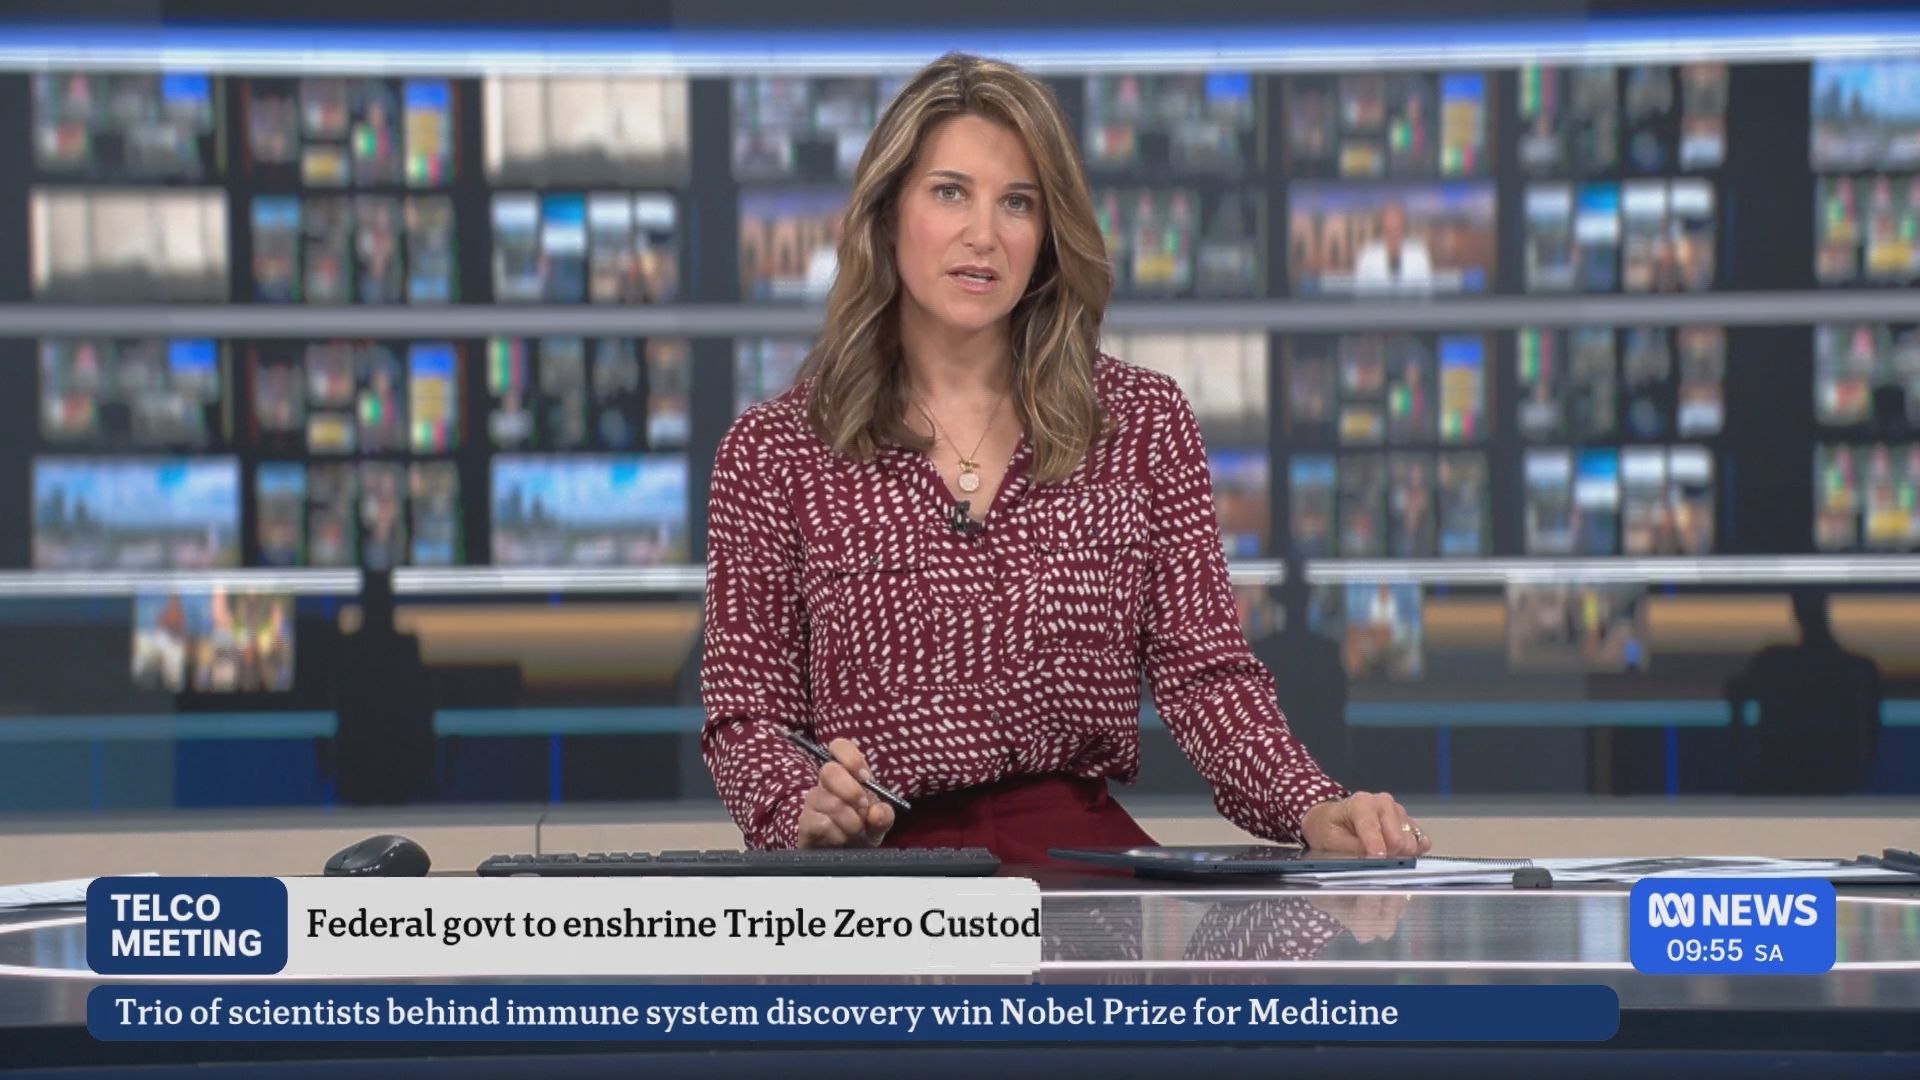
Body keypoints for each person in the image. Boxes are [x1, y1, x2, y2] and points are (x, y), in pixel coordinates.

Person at [700, 52, 1432, 864]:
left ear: (1048, 237)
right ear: (886, 213)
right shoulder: (774, 452)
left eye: (1017, 202)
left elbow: (1205, 677)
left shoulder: (1140, 423)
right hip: (879, 883)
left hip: (1078, 871)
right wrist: (799, 806)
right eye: (950, 192)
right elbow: (746, 715)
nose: (984, 235)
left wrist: (1311, 805)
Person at [1726, 586, 1881, 795]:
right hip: (1826, 782)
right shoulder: (1857, 669)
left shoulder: (1775, 662)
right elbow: (1871, 735)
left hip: (1781, 780)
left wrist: (1744, 763)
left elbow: (1735, 695)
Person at [1352, 200, 1434, 292]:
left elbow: (1426, 290)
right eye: (1389, 221)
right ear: (1382, 224)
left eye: (1396, 221)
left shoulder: (1418, 252)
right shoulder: (1368, 253)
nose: (1392, 225)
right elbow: (1360, 290)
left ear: (1403, 224)